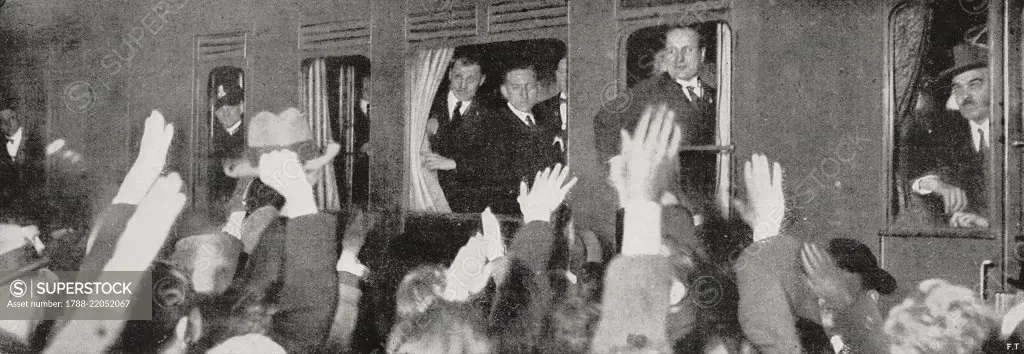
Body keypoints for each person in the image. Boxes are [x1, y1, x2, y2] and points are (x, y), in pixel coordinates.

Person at [594, 25, 718, 222]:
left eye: (687, 50)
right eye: (672, 51)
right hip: (672, 200)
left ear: (702, 54)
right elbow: (605, 118)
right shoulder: (649, 90)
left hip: (709, 195)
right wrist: (615, 163)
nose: (679, 58)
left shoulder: (714, 94)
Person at [903, 29, 990, 228]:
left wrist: (988, 224)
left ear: (997, 85)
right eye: (957, 87)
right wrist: (938, 185)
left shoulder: (1015, 132)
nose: (964, 96)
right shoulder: (946, 129)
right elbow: (916, 176)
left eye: (974, 84)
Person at [471, 64, 563, 214]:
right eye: (516, 88)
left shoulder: (546, 119)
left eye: (529, 87)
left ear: (538, 87)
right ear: (504, 91)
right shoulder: (492, 126)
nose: (524, 94)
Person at [422, 55, 488, 212]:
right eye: (458, 76)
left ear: (482, 80)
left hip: (468, 207)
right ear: (449, 74)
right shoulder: (425, 105)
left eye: (471, 79)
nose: (463, 85)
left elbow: (493, 163)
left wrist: (455, 163)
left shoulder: (490, 115)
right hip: (426, 201)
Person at [208, 68, 247, 213]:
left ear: (241, 107)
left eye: (230, 104)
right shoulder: (212, 138)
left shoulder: (248, 136)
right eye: (219, 106)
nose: (224, 111)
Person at [0, 99, 44, 201]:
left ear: (19, 118)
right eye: (3, 120)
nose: (8, 124)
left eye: (12, 118)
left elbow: (41, 173)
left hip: (32, 202)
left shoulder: (34, 141)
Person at [535, 57, 569, 160]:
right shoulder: (540, 109)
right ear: (557, 75)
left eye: (569, 72)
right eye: (562, 72)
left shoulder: (587, 109)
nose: (566, 77)